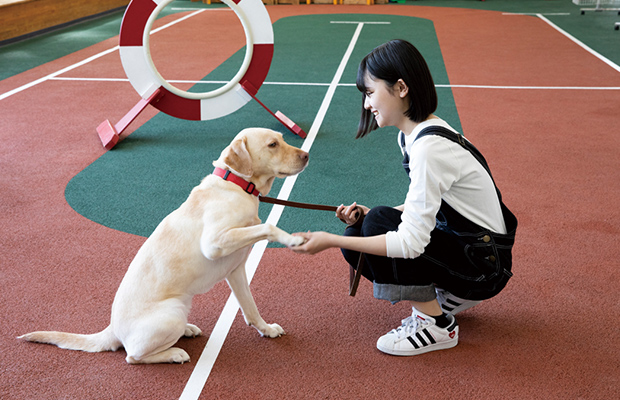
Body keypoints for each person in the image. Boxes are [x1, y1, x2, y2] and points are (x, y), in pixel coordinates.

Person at [290, 39, 517, 356]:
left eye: (370, 92)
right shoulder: (412, 136)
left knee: (376, 225)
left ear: (400, 88)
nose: (367, 104)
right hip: (470, 249)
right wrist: (366, 217)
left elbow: (410, 243)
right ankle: (443, 290)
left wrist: (329, 240)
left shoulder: (428, 148)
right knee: (366, 225)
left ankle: (438, 325)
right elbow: (428, 207)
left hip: (483, 267)